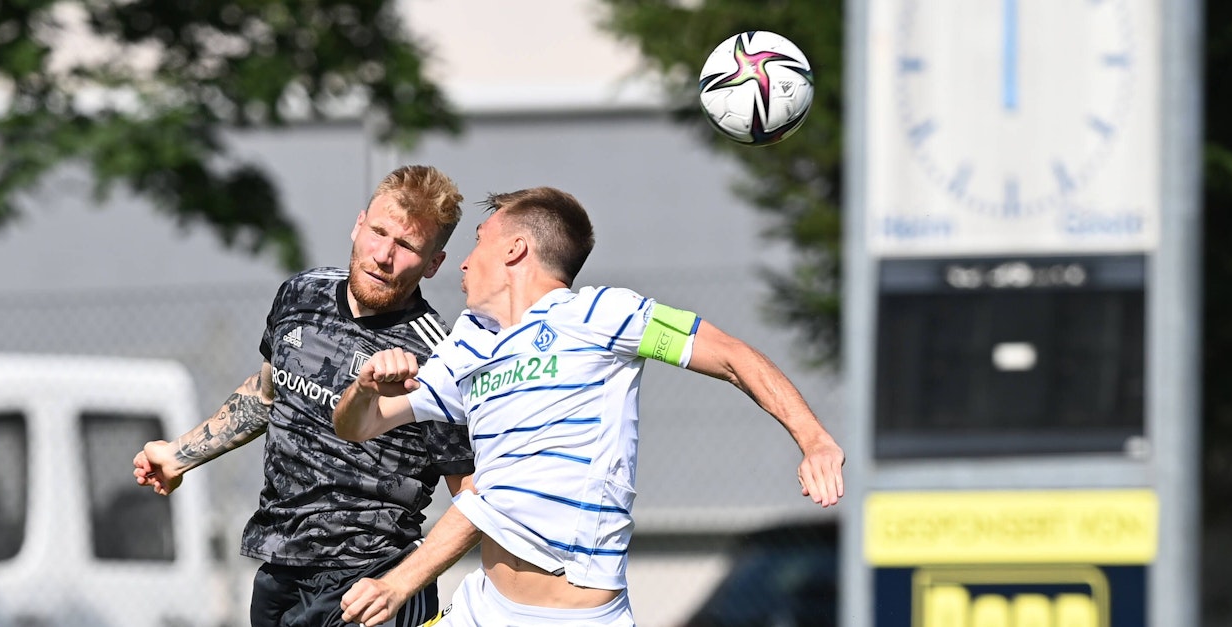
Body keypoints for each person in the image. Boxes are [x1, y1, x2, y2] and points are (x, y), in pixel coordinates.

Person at [330, 186, 847, 626]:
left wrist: (814, 439)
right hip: (484, 608)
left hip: (574, 616)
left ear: (514, 249)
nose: (464, 261)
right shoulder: (469, 342)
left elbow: (732, 357)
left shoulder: (601, 314)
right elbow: (360, 427)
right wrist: (365, 388)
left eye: (478, 243)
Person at [132, 165, 475, 627]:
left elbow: (476, 498)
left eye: (407, 246)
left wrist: (400, 584)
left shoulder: (439, 357)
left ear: (433, 264)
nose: (382, 255)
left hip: (368, 582)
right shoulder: (301, 294)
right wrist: (179, 454)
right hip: (280, 566)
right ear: (358, 224)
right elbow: (268, 394)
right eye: (378, 232)